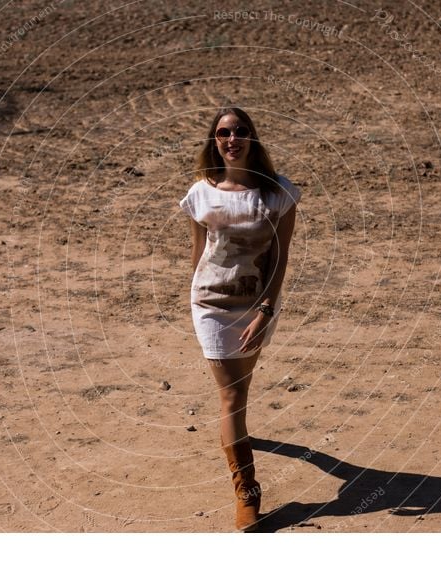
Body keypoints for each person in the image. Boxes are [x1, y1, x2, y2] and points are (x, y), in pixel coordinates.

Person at [178, 106, 301, 531]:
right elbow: (199, 253)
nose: (232, 138)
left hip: (257, 302)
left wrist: (266, 310)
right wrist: (192, 301)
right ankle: (247, 491)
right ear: (214, 140)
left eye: (240, 131)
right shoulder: (200, 192)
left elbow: (279, 260)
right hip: (209, 303)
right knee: (231, 396)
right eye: (223, 132)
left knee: (241, 389)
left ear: (253, 138)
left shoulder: (277, 194)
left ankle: (240, 435)